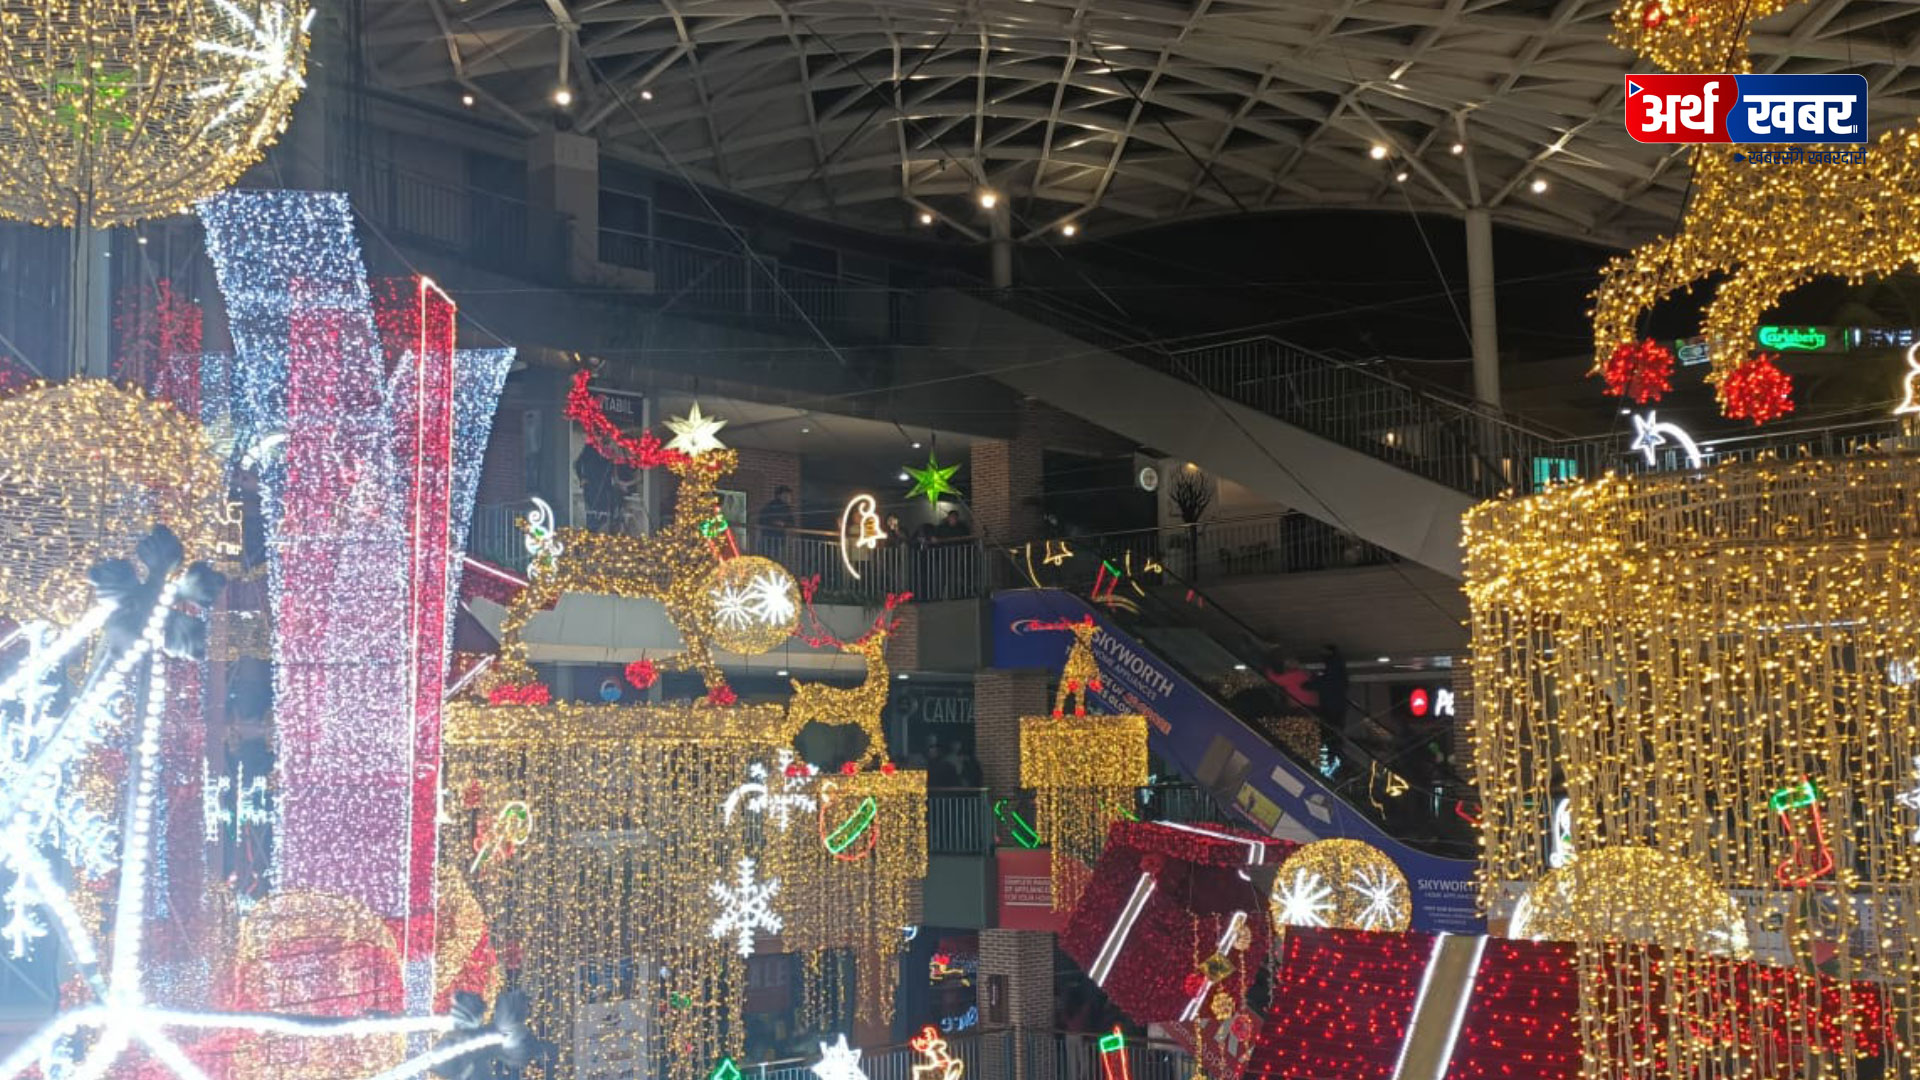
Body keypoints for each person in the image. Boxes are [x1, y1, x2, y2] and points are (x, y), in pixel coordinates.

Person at [1309, 644, 1349, 734]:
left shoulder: (1333, 666)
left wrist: (1312, 682)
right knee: (1334, 724)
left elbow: (1327, 682)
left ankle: (1332, 737)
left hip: (1331, 702)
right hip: (1336, 701)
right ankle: (1334, 736)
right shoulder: (1337, 665)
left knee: (1330, 724)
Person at [757, 485, 795, 557]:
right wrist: (775, 523)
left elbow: (791, 522)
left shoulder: (785, 507)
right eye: (786, 495)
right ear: (780, 495)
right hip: (770, 538)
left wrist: (783, 524)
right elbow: (762, 520)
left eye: (789, 495)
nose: (789, 498)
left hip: (776, 539)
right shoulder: (773, 506)